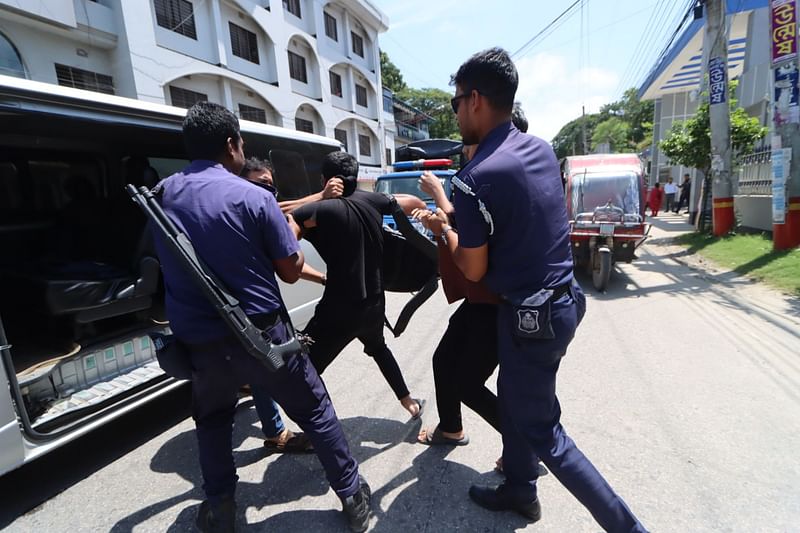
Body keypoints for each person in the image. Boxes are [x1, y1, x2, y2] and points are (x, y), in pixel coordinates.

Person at [420, 48, 646, 531]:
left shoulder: (473, 179)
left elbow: (474, 269)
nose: (456, 112)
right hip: (561, 301)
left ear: (475, 100)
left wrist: (448, 230)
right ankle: (521, 490)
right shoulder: (540, 148)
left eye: (456, 102)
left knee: (544, 431)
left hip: (531, 317)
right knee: (518, 398)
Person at [151, 102, 370, 533]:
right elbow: (290, 272)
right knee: (316, 410)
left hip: (200, 345)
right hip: (264, 338)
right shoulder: (254, 197)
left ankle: (221, 508)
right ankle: (351, 495)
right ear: (231, 144)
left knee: (213, 422)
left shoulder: (159, 197)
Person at [413, 103, 546, 477]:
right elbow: (467, 221)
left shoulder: (500, 177)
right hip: (483, 299)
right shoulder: (493, 176)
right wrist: (444, 213)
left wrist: (444, 225)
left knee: (470, 383)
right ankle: (452, 428)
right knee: (444, 360)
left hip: (499, 301)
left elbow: (473, 259)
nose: (468, 147)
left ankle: (525, 447)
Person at [286, 151, 425, 420]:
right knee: (378, 348)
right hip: (373, 303)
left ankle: (325, 429)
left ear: (325, 179)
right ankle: (410, 403)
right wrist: (420, 209)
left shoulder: (315, 210)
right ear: (356, 176)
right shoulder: (371, 199)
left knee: (306, 370)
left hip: (338, 309)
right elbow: (412, 202)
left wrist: (316, 200)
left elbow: (288, 255)